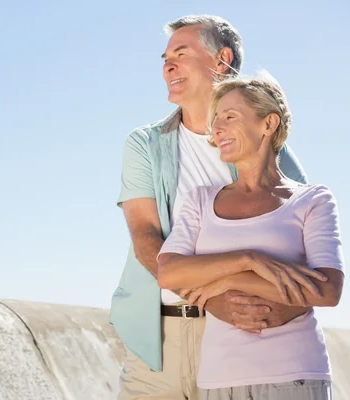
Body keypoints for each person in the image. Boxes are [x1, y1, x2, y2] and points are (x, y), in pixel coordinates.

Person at [111, 15, 310, 399]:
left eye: (181, 54)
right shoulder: (145, 145)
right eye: (165, 57)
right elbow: (146, 240)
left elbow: (301, 235)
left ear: (221, 61)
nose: (168, 65)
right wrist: (212, 298)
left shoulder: (267, 145)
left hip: (239, 338)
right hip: (158, 344)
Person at [157, 72, 344, 400]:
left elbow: (327, 289)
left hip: (296, 376)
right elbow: (169, 272)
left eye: (230, 117)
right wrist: (251, 261)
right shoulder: (200, 200)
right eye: (216, 119)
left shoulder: (312, 199)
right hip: (219, 380)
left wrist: (221, 282)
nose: (217, 127)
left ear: (268, 124)